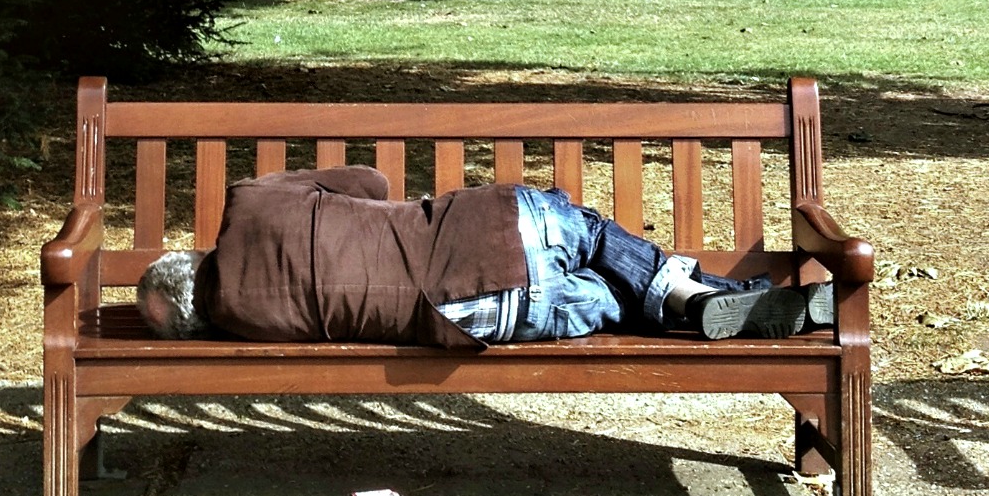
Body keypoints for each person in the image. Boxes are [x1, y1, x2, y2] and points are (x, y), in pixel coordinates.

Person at [136, 166, 832, 348]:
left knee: (603, 298)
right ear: (188, 256)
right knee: (586, 236)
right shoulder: (251, 203)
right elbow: (373, 185)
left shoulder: (244, 323)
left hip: (482, 316)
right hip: (496, 231)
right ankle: (701, 295)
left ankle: (703, 303)